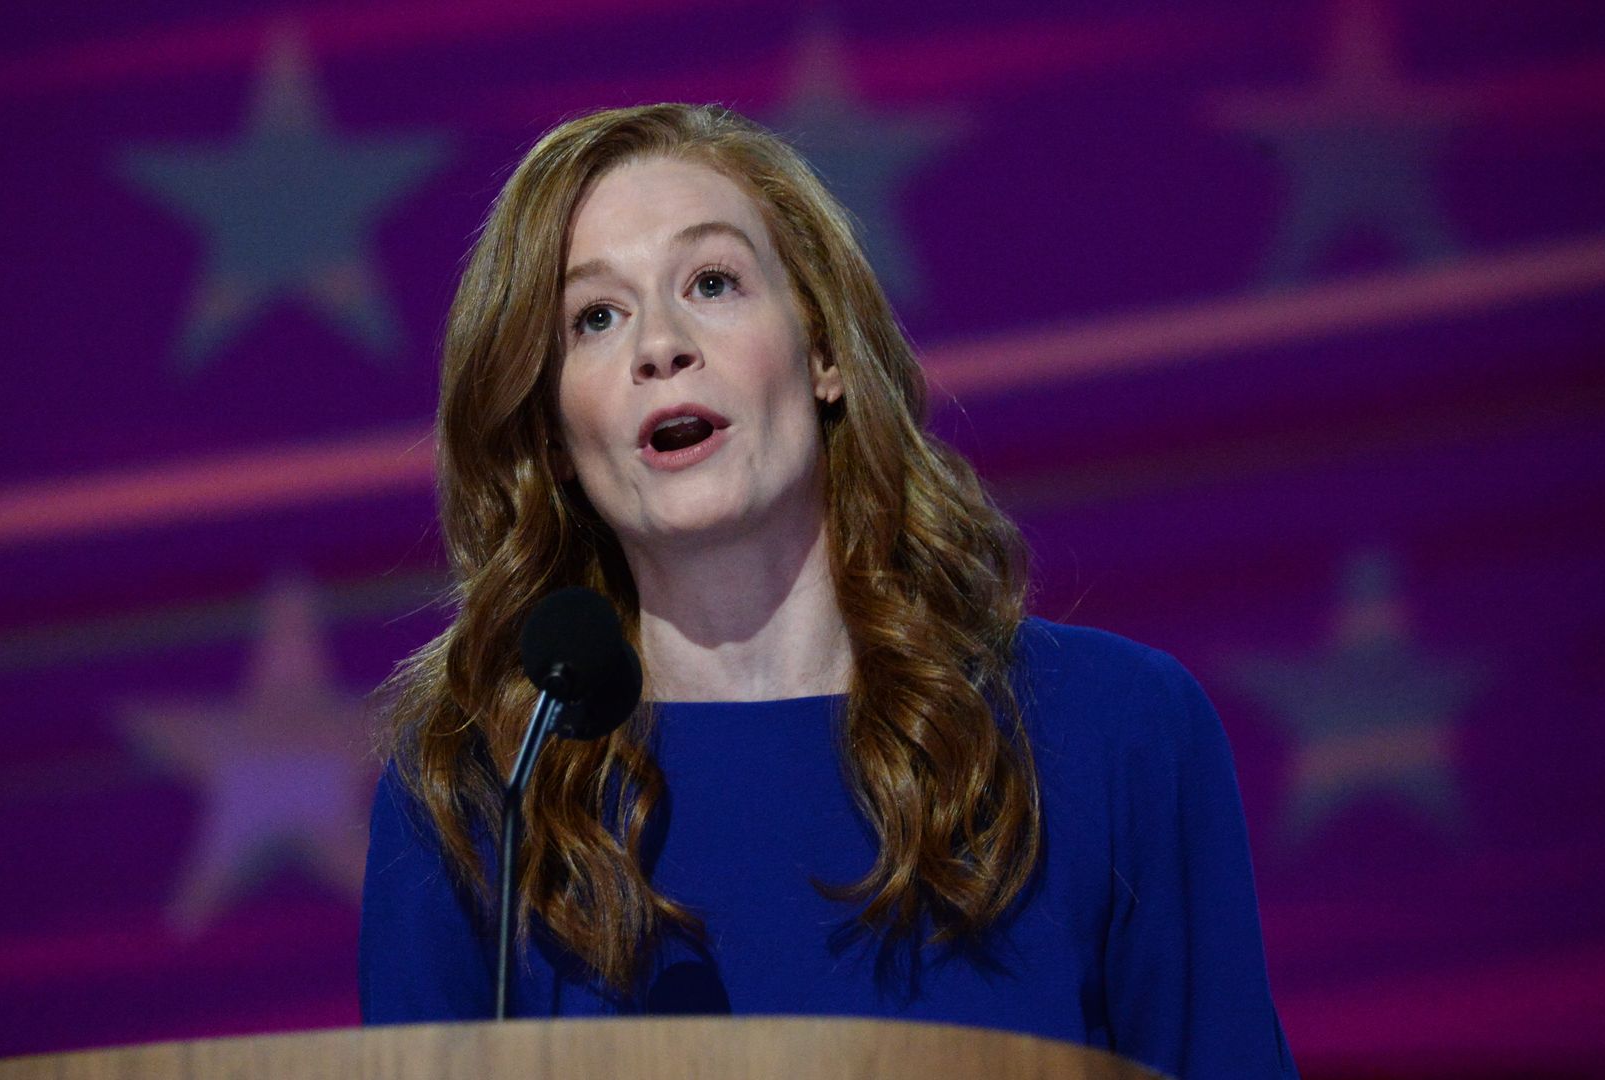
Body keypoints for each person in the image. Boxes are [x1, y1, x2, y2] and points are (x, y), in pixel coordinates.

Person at [361, 103, 1296, 1078]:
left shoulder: (1111, 731)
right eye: (596, 317)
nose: (660, 344)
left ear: (826, 354)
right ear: (554, 433)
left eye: (712, 282)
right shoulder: (481, 793)